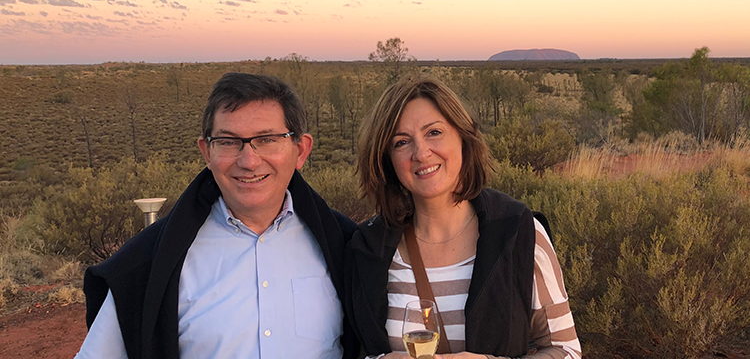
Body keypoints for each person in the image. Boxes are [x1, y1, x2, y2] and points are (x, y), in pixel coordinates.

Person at [76, 73, 359, 359]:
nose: (248, 161)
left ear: (300, 150)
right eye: (227, 142)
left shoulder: (348, 247)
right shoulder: (146, 265)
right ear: (206, 152)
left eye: (267, 139)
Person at [345, 74, 581, 359]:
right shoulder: (368, 249)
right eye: (401, 142)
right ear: (387, 160)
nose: (421, 153)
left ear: (463, 137)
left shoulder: (517, 232)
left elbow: (565, 350)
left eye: (434, 132)